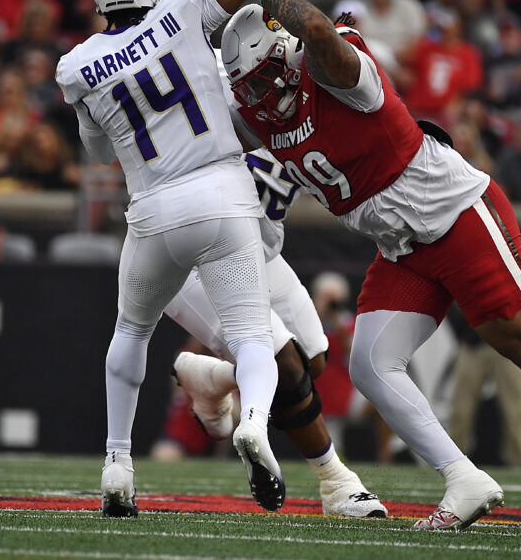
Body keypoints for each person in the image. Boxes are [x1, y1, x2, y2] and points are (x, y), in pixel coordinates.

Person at [221, 0, 521, 532]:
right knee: (371, 363)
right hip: (401, 246)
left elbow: (319, 31)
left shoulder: (337, 68)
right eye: (248, 87)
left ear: (287, 51)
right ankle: (463, 478)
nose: (259, 96)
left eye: (264, 79)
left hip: (453, 213)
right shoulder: (263, 113)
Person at [54, 0, 336, 518]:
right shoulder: (182, 10)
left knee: (130, 332)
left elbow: (99, 153)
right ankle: (251, 423)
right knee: (252, 337)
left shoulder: (77, 65)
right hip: (220, 197)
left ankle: (117, 463)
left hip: (151, 212)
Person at [166, 148, 387, 518]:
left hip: (258, 248)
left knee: (313, 357)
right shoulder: (231, 116)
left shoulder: (320, 121)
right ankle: (337, 482)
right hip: (201, 250)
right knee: (285, 363)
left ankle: (214, 378)